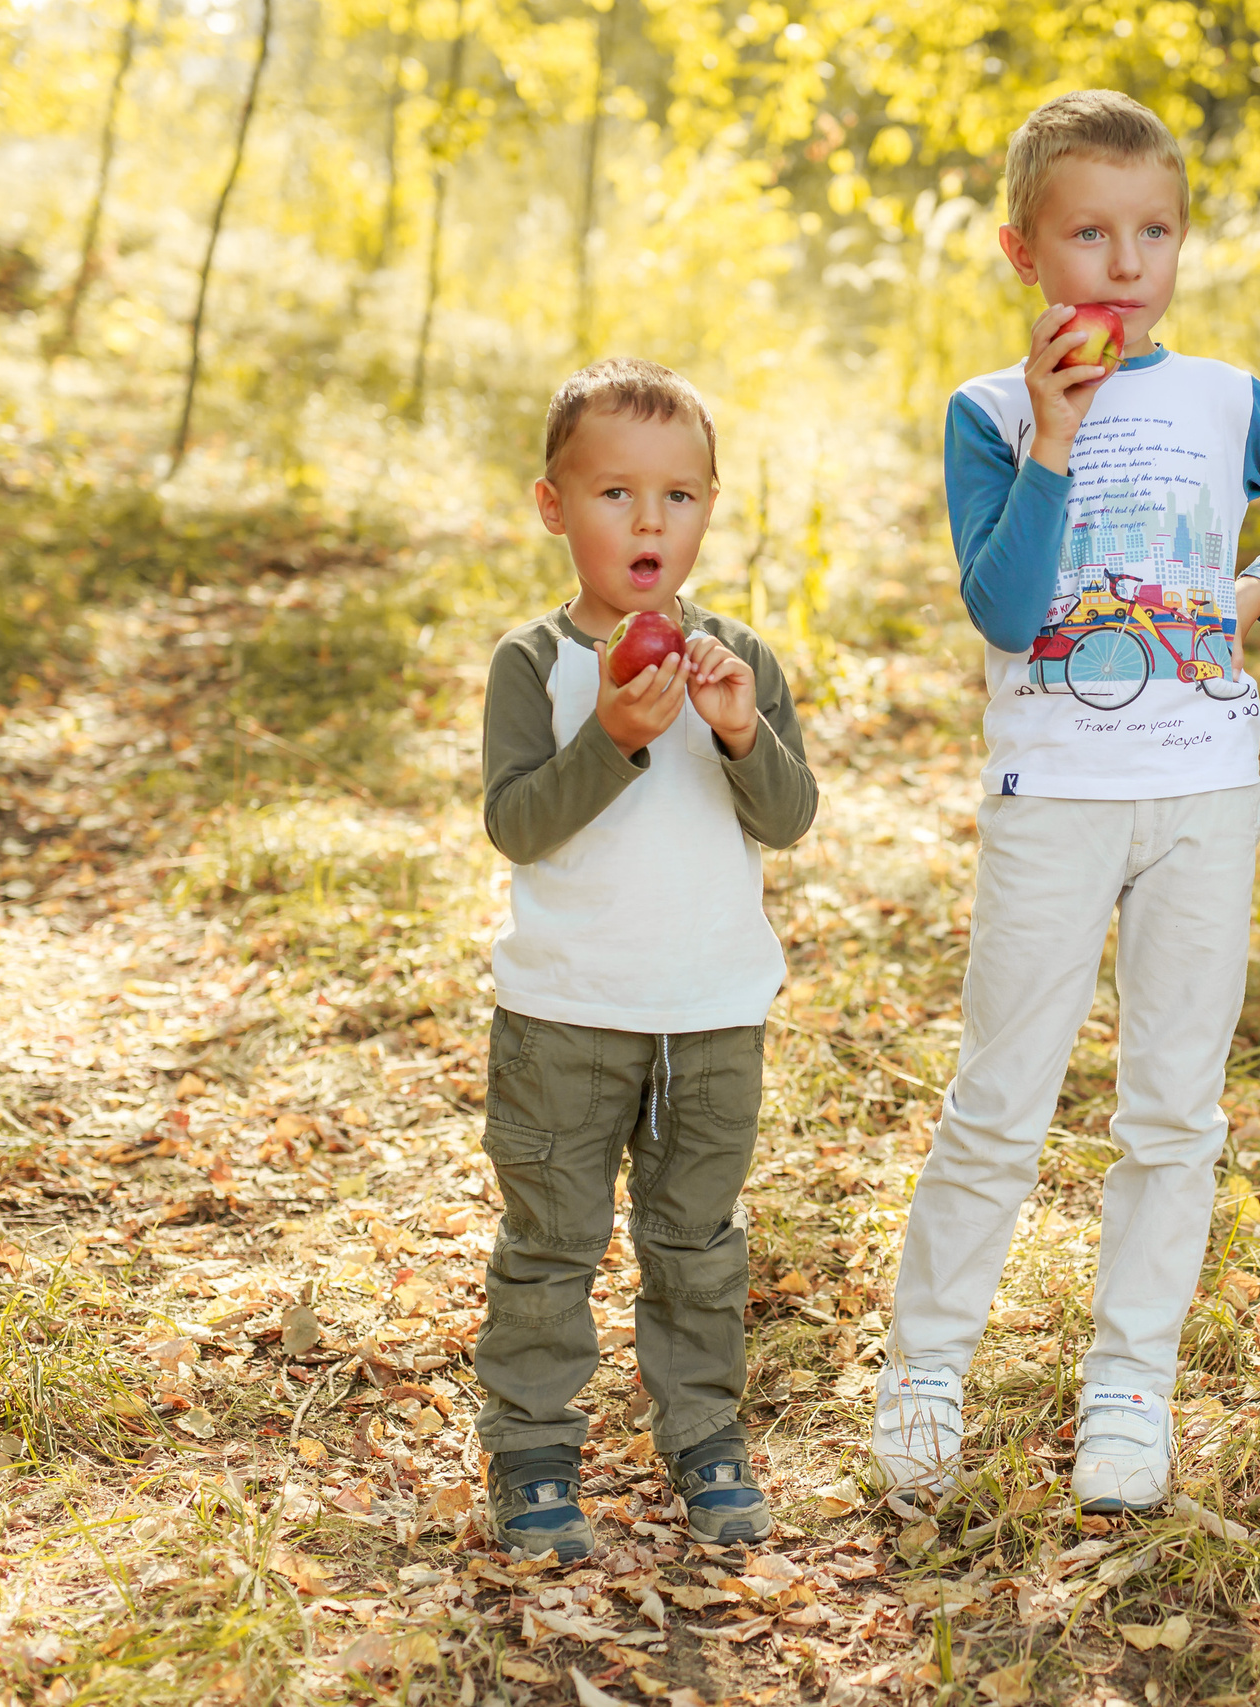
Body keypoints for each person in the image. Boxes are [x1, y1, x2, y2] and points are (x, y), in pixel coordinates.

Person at [872, 90, 1260, 1512]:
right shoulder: (988, 413)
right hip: (1054, 795)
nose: (1123, 260)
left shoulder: (1226, 397)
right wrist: (1051, 433)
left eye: (1151, 231)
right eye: (1090, 232)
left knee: (1175, 1106)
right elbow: (1001, 606)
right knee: (1000, 1097)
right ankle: (926, 1371)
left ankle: (1130, 1383)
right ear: (1023, 252)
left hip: (1203, 795)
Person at [474, 358, 817, 1557]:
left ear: (709, 507)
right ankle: (529, 1447)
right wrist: (612, 738)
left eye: (678, 496)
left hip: (714, 1011)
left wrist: (737, 732)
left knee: (697, 1241)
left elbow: (786, 817)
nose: (649, 521)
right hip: (567, 1012)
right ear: (554, 508)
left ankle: (703, 1433)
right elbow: (517, 823)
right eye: (616, 493)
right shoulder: (537, 665)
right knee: (551, 1240)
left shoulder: (738, 660)